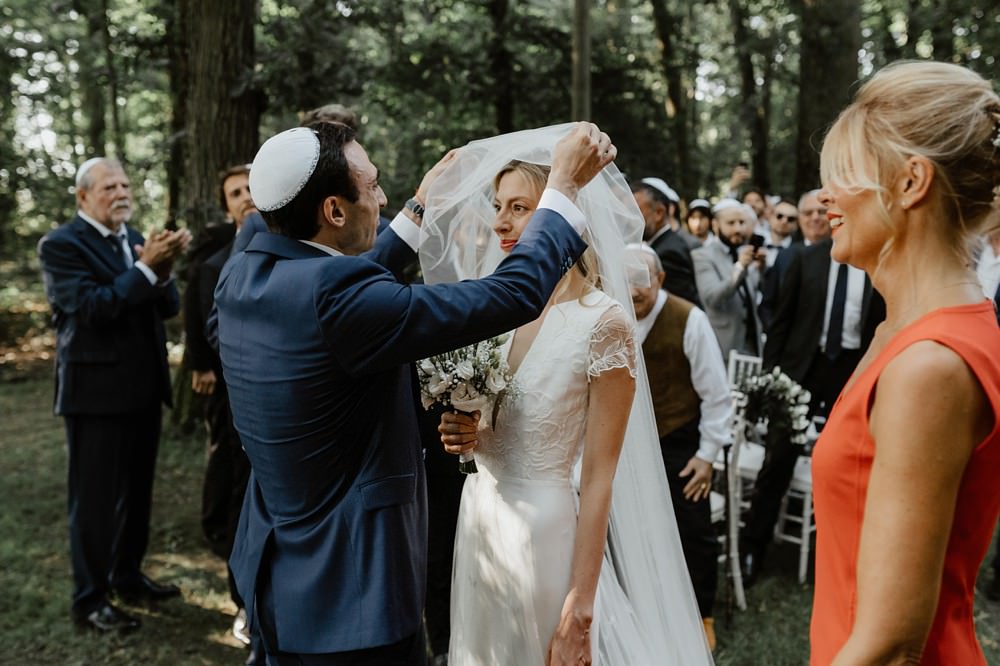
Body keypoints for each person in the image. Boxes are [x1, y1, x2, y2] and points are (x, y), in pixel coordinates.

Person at [215, 121, 614, 664]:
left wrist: (419, 208)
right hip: (354, 592)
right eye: (374, 186)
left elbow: (332, 294)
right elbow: (513, 292)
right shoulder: (339, 299)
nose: (382, 198)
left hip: (277, 574)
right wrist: (562, 188)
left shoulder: (244, 275)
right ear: (334, 211)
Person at [427, 125, 712, 666]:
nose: (501, 223)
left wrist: (582, 605)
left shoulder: (602, 323)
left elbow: (601, 476)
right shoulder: (498, 308)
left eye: (519, 207)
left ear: (562, 213)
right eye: (497, 206)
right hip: (481, 517)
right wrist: (467, 432)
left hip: (545, 537)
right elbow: (496, 420)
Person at [808, 61, 1000, 665]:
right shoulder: (902, 330)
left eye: (843, 177)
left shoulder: (931, 365)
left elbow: (890, 645)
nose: (824, 198)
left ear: (911, 181)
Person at [37, 157, 191, 632]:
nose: (121, 192)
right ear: (83, 196)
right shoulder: (61, 245)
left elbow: (167, 307)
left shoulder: (134, 237)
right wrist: (147, 269)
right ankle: (90, 600)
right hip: (95, 394)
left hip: (144, 390)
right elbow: (91, 308)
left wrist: (163, 272)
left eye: (125, 184)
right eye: (109, 186)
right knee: (96, 501)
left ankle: (126, 576)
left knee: (137, 496)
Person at [741, 231, 885, 584]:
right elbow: (781, 321)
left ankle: (841, 558)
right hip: (801, 369)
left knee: (850, 462)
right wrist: (772, 377)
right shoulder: (807, 258)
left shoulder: (878, 256)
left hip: (851, 370)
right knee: (778, 458)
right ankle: (753, 548)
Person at [627, 243, 732, 651]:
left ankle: (702, 614)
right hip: (628, 446)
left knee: (694, 533)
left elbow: (717, 397)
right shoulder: (612, 313)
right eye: (625, 281)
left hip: (680, 443)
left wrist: (706, 457)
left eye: (640, 282)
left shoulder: (690, 320)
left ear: (660, 279)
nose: (633, 292)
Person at [183, 162, 257, 647]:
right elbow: (202, 319)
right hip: (233, 397)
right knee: (233, 494)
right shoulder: (214, 261)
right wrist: (201, 363)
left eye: (252, 187)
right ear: (226, 204)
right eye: (236, 192)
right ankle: (243, 603)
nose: (246, 196)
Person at [691, 199, 765, 359]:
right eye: (731, 223)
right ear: (715, 225)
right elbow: (712, 297)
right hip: (721, 347)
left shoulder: (747, 251)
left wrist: (762, 268)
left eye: (741, 222)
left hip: (753, 347)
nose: (738, 229)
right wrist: (740, 267)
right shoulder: (702, 256)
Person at [631, 178, 702, 306]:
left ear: (659, 213)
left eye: (636, 211)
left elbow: (678, 307)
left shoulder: (669, 253)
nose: (630, 218)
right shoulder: (667, 242)